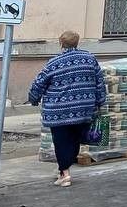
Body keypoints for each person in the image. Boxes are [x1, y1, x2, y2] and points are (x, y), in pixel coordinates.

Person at [28, 31, 105, 188]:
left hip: (58, 111)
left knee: (61, 142)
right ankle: (64, 169)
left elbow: (39, 83)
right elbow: (99, 82)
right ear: (77, 43)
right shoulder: (90, 59)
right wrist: (99, 101)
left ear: (61, 43)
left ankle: (65, 174)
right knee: (75, 140)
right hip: (84, 109)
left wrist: (33, 99)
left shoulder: (54, 63)